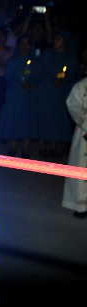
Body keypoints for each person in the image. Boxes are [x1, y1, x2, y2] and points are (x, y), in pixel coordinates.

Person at [0, 33, 41, 158]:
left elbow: (38, 76)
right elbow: (7, 76)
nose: (24, 46)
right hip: (14, 94)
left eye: (27, 43)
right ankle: (13, 146)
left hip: (28, 96)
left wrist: (32, 84)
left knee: (27, 120)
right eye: (22, 43)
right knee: (13, 119)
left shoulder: (36, 62)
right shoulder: (12, 60)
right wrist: (19, 83)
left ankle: (26, 149)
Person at [62, 76, 87, 218]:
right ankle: (80, 205)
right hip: (84, 132)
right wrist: (84, 122)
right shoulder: (82, 85)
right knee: (81, 167)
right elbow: (72, 102)